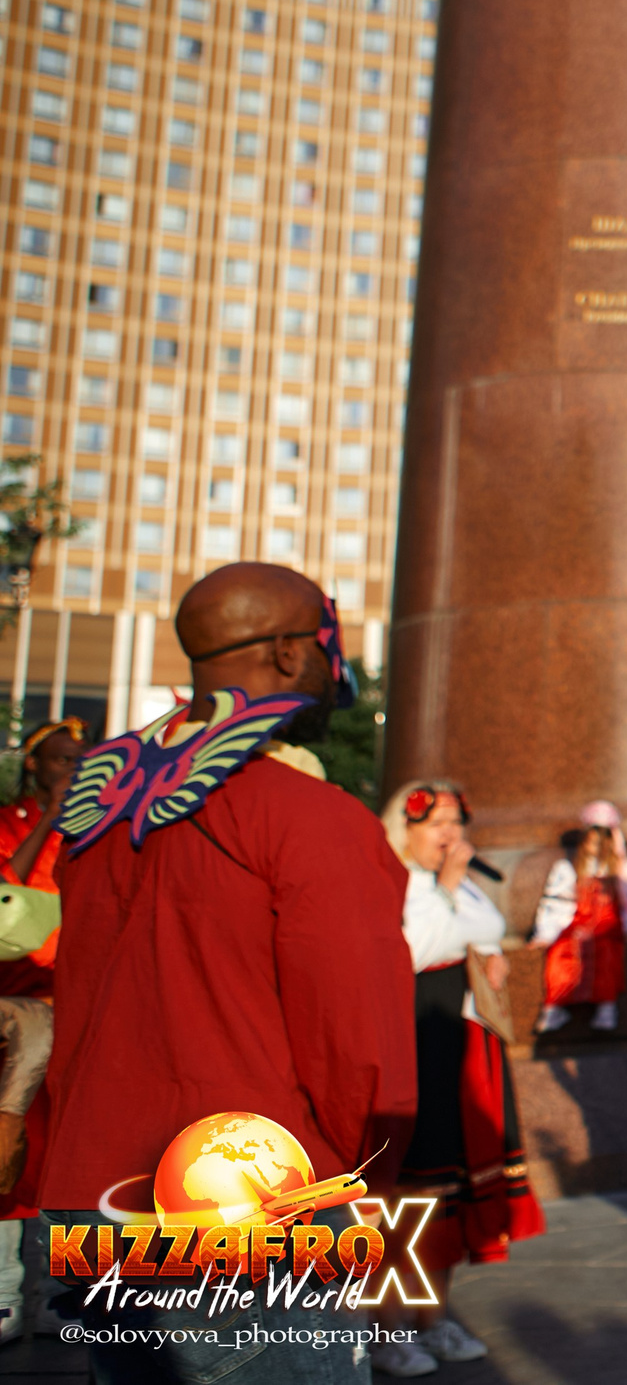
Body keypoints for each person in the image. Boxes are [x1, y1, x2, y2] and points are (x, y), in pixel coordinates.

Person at [40, 562, 414, 1380]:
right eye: (323, 645)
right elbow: (361, 1049)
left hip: (89, 1191)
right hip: (244, 1200)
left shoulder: (98, 809)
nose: (328, 665)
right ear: (288, 654)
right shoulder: (312, 819)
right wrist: (366, 1183)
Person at [377, 781, 544, 1378]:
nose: (449, 835)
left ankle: (433, 1317)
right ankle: (386, 1327)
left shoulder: (460, 885)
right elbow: (414, 948)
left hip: (466, 1050)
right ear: (405, 830)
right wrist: (447, 889)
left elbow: (482, 928)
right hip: (417, 1047)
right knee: (411, 1197)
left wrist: (487, 954)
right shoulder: (392, 882)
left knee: (450, 1196)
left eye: (456, 822)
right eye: (435, 824)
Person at [0, 714, 79, 1342]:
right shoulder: (11, 822)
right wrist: (50, 816)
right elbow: (7, 896)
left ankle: (67, 1290)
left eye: (80, 760)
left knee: (74, 1157)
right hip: (16, 1011)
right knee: (11, 1154)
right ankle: (4, 1291)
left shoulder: (99, 826)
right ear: (35, 766)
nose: (72, 771)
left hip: (81, 1007)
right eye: (60, 760)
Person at [533, 800, 627, 1033]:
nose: (595, 845)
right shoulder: (569, 869)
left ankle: (606, 1006)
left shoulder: (626, 869)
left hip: (609, 925)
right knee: (563, 951)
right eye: (591, 839)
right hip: (577, 924)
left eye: (602, 839)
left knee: (605, 952)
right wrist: (546, 932)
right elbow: (557, 902)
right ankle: (554, 1008)